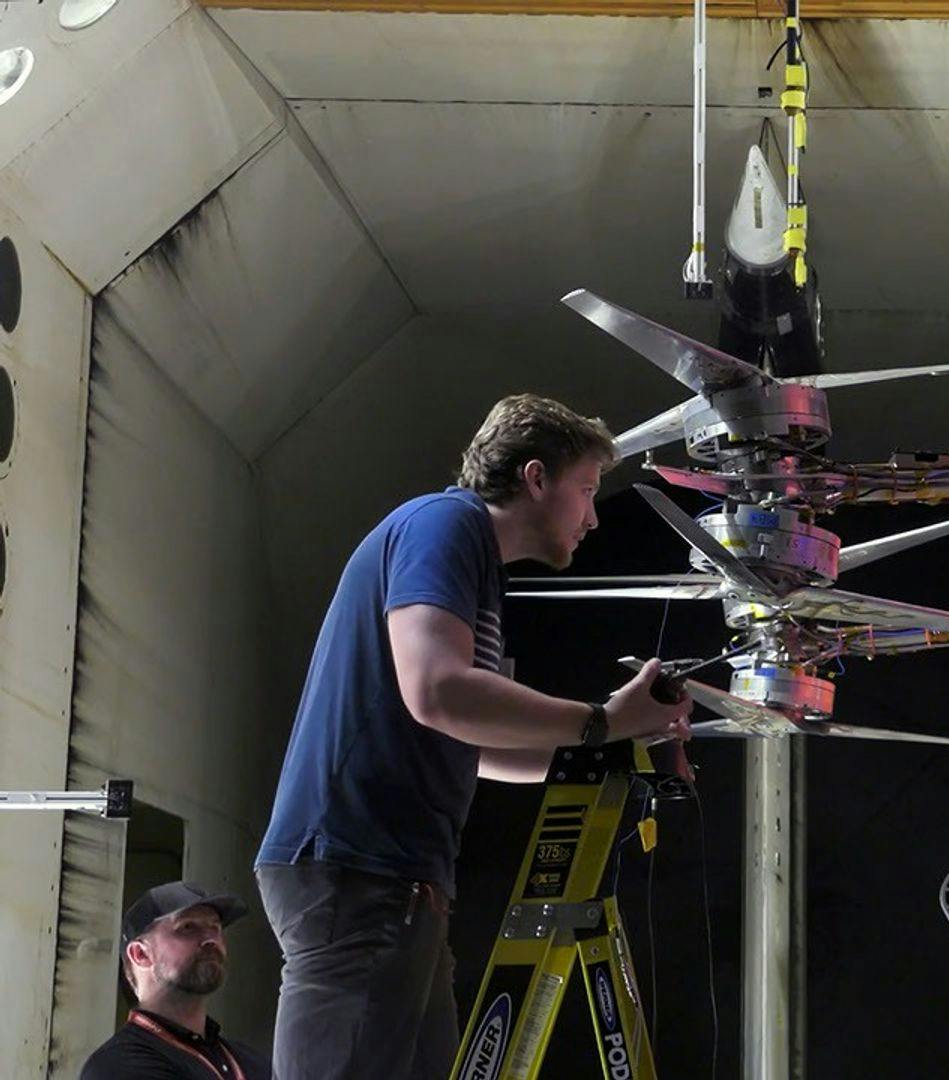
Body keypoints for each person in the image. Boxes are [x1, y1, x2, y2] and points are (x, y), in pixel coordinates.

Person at [254, 394, 692, 1079]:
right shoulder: (446, 526)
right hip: (357, 867)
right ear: (536, 478)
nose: (593, 516)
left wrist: (611, 739)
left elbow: (472, 740)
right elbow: (438, 692)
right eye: (586, 490)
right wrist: (603, 721)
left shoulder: (474, 567)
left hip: (398, 878)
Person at [80, 881, 270, 1079]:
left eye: (216, 927)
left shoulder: (252, 1062)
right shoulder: (118, 1065)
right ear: (140, 954)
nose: (211, 939)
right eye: (187, 927)